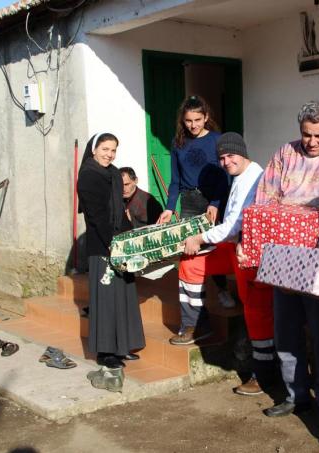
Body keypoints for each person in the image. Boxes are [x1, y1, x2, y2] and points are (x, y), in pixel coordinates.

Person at [247, 100, 319, 428]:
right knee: (286, 327)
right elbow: (265, 196)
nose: (312, 141)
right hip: (282, 255)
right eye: (307, 134)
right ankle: (295, 395)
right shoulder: (285, 153)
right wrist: (269, 234)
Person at [170, 132, 276, 396]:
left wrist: (200, 237)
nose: (226, 161)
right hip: (233, 246)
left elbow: (234, 226)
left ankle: (262, 374)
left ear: (243, 152)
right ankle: (195, 325)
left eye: (231, 155)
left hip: (251, 254)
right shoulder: (239, 176)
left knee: (256, 310)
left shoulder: (255, 178)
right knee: (190, 264)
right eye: (222, 158)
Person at [157, 95, 235, 308]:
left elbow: (225, 176)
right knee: (190, 248)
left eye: (197, 120)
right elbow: (175, 180)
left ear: (206, 117)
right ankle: (193, 297)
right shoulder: (177, 142)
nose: (193, 125)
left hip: (213, 200)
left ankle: (222, 290)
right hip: (190, 201)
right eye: (188, 120)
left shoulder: (217, 140)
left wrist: (216, 203)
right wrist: (170, 207)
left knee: (213, 248)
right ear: (183, 120)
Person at [77, 132, 145, 370]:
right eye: (105, 148)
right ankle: (106, 352)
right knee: (105, 299)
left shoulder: (114, 173)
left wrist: (129, 240)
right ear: (94, 149)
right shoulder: (88, 176)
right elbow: (96, 216)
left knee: (124, 295)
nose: (109, 154)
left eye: (113, 149)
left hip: (120, 242)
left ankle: (123, 346)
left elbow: (121, 209)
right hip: (102, 244)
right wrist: (113, 244)